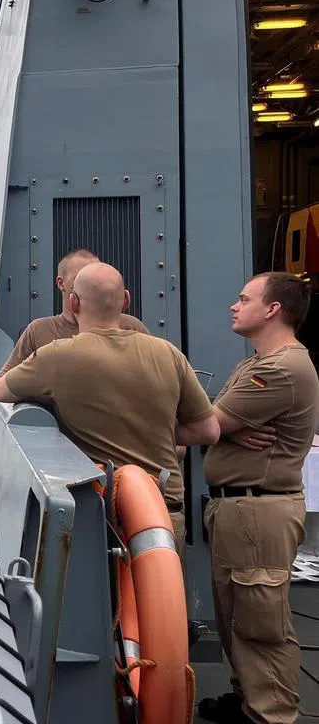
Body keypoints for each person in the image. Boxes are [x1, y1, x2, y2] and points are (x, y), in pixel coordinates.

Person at [0, 262, 220, 549]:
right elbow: (208, 431)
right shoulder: (169, 353)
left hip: (102, 515)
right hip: (164, 511)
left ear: (73, 302)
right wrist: (155, 428)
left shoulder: (57, 356)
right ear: (126, 300)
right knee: (167, 593)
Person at [197, 272, 319, 724]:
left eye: (243, 298)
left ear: (272, 309)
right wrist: (223, 430)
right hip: (240, 508)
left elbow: (203, 425)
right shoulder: (254, 365)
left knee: (262, 624)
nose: (234, 305)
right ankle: (247, 697)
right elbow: (215, 422)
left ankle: (271, 715)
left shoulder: (279, 368)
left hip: (258, 510)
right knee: (237, 616)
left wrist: (215, 430)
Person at [0, 248, 149, 377]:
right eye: (79, 278)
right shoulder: (38, 331)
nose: (90, 284)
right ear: (61, 283)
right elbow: (2, 383)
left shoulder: (132, 327)